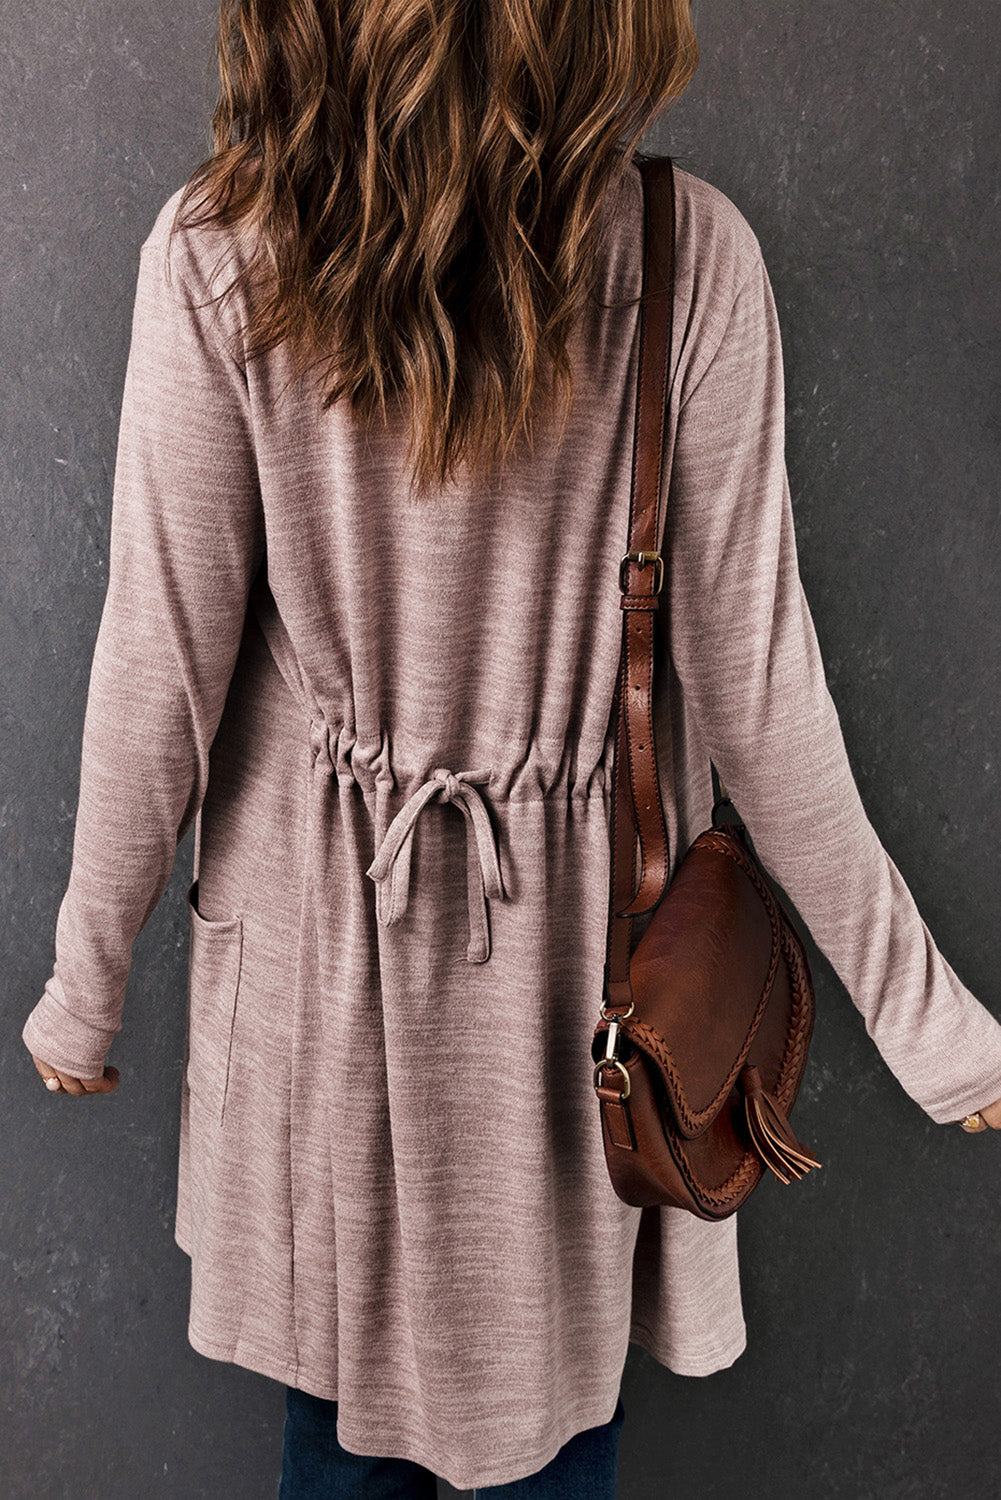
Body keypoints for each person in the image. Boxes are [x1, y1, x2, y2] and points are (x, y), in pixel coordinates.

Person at [20, 1, 1001, 1495]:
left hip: (331, 978)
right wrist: (934, 1025)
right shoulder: (684, 255)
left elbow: (159, 669)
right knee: (557, 1431)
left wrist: (84, 991)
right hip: (578, 979)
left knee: (335, 1435)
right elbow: (763, 697)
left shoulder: (220, 251)